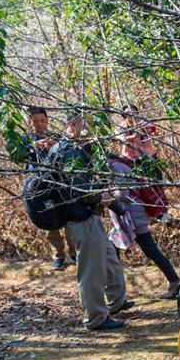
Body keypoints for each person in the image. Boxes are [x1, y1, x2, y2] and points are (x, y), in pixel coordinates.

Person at [51, 110, 130, 331]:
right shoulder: (69, 150)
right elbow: (79, 188)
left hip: (88, 215)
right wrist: (102, 196)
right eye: (88, 124)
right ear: (73, 124)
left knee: (109, 260)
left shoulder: (75, 147)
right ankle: (95, 317)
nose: (91, 130)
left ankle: (116, 302)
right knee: (91, 271)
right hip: (79, 218)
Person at [11, 106, 76, 270]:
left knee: (68, 218)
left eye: (42, 120)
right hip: (38, 186)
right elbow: (17, 157)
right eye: (35, 121)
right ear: (30, 122)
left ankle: (74, 254)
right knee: (49, 220)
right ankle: (58, 257)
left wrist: (53, 147)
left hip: (60, 183)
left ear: (47, 121)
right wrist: (32, 146)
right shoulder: (24, 139)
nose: (39, 124)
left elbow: (69, 157)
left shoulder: (56, 137)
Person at [107, 157, 180, 298]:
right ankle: (174, 282)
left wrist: (108, 192)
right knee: (147, 250)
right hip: (134, 213)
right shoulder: (121, 164)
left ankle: (116, 292)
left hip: (132, 215)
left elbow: (123, 194)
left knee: (147, 250)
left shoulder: (114, 168)